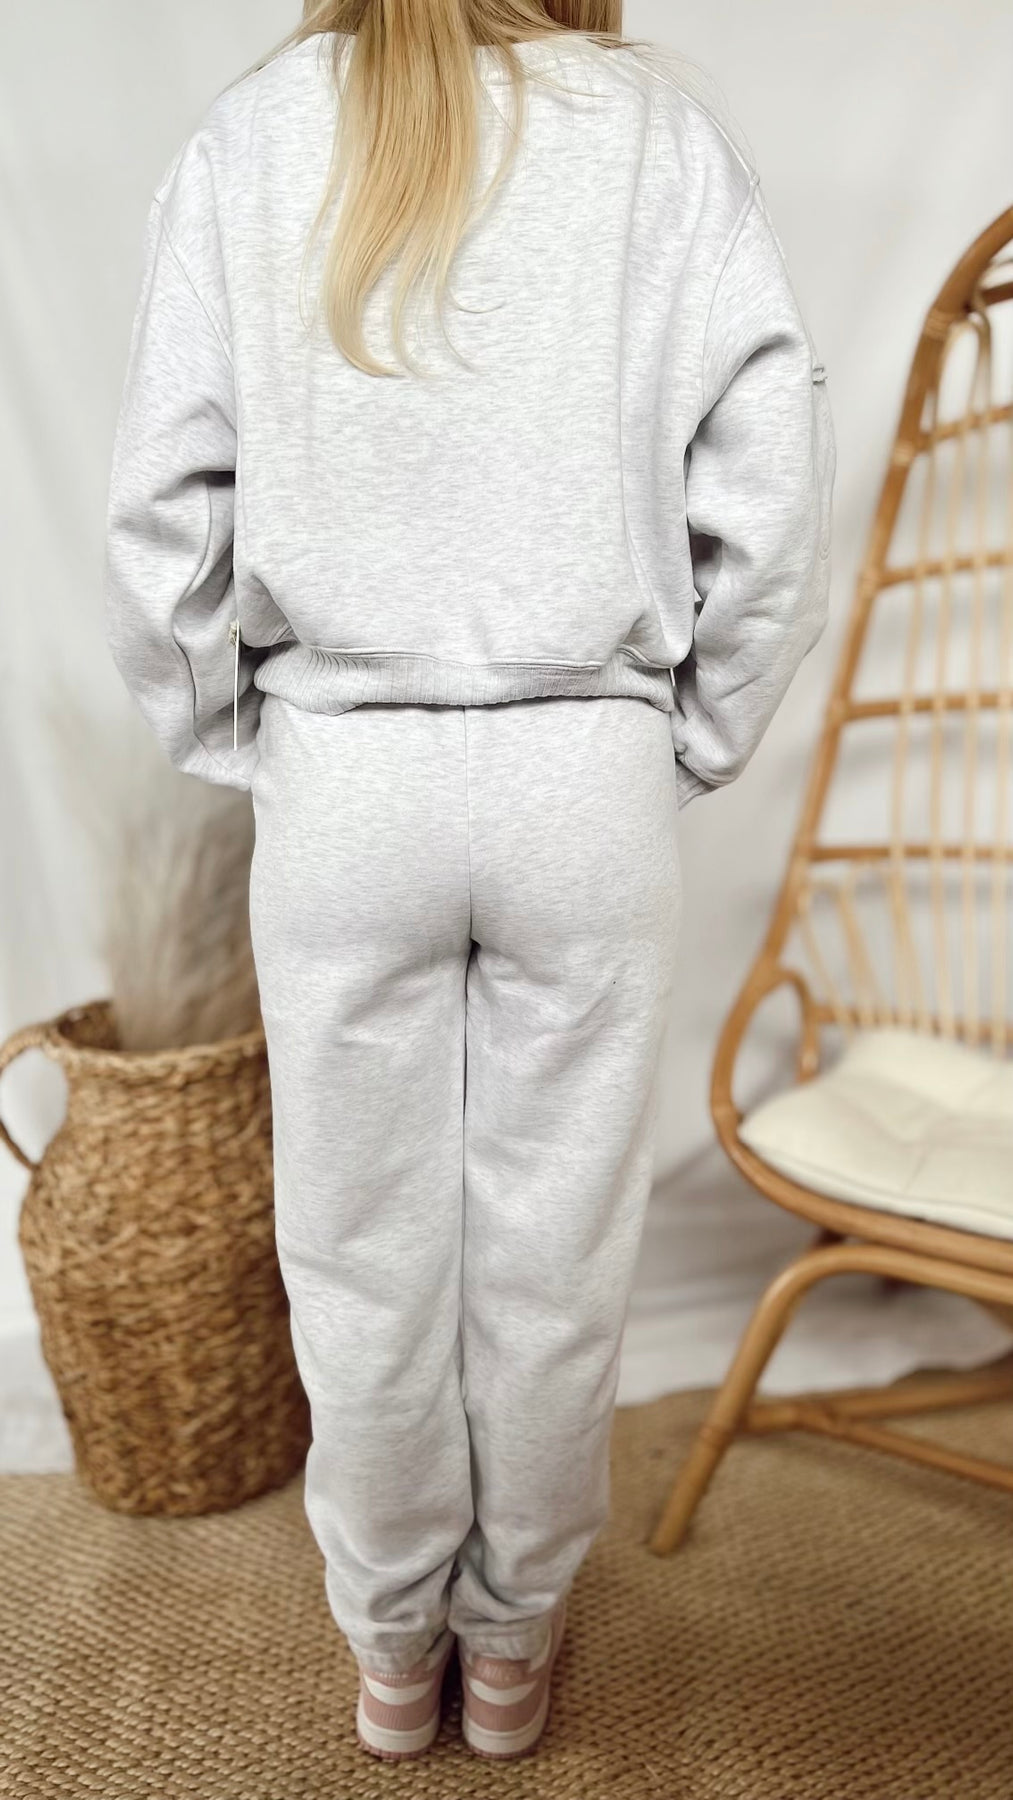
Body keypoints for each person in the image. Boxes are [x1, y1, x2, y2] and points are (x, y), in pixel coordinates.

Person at [103, 0, 835, 1765]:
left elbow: (164, 510)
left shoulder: (256, 135)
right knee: (553, 1253)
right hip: (583, 774)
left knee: (357, 1255)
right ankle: (508, 1647)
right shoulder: (658, 141)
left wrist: (243, 737)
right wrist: (683, 740)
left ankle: (389, 1649)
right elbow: (770, 503)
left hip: (345, 777)